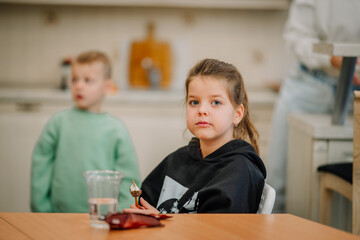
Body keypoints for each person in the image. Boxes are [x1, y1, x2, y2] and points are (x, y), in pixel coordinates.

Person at [124, 58, 266, 214]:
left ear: (237, 114)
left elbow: (216, 233)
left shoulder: (239, 172)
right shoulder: (177, 159)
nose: (202, 110)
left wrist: (161, 222)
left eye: (216, 102)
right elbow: (143, 203)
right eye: (194, 102)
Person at [267, 0, 360, 212]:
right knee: (277, 184)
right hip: (309, 86)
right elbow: (297, 37)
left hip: (355, 89)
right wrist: (332, 59)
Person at [31, 51, 141, 213]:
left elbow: (129, 177)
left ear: (107, 87)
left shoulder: (116, 129)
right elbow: (41, 167)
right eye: (74, 80)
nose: (78, 86)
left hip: (105, 218)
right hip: (58, 216)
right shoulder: (58, 122)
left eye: (88, 80)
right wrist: (41, 208)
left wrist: (122, 212)